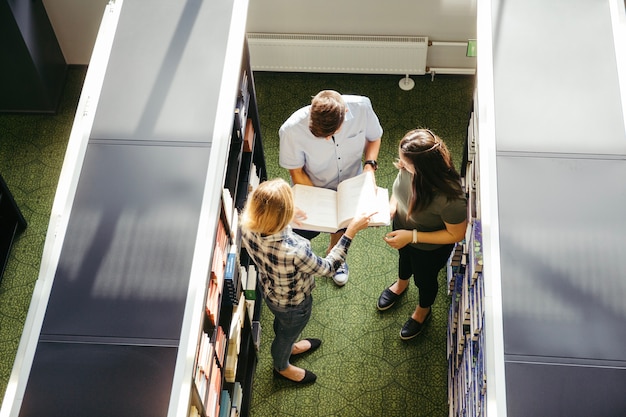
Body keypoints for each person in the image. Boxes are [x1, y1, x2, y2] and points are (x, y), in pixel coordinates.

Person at [240, 178, 373, 383]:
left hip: (269, 290)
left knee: (282, 325)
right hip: (294, 304)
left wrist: (285, 215)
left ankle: (289, 344)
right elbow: (328, 268)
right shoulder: (295, 250)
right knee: (287, 333)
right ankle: (281, 365)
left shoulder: (248, 226)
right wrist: (350, 232)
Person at [279, 90, 383, 286]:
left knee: (343, 226)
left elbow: (374, 137)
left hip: (351, 184)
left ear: (344, 112)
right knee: (300, 233)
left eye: (332, 134)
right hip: (312, 188)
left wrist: (369, 167)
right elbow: (297, 173)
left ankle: (335, 253)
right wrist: (322, 202)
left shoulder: (362, 107)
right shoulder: (291, 130)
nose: (328, 139)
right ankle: (305, 262)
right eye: (321, 136)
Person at [377, 129, 468, 340]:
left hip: (429, 246)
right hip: (402, 229)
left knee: (425, 279)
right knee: (404, 258)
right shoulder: (409, 167)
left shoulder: (450, 198)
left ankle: (423, 310)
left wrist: (412, 237)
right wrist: (392, 207)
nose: (400, 165)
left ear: (423, 168)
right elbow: (399, 189)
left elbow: (456, 234)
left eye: (405, 163)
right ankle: (401, 284)